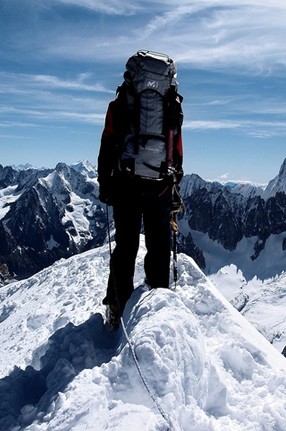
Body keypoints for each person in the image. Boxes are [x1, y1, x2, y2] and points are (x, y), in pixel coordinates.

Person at [97, 51, 184, 327]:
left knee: (126, 246)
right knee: (159, 246)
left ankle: (117, 309)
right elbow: (177, 148)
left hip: (127, 183)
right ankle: (155, 313)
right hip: (160, 183)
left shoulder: (121, 102)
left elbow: (109, 142)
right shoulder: (172, 104)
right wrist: (174, 185)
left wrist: (105, 182)